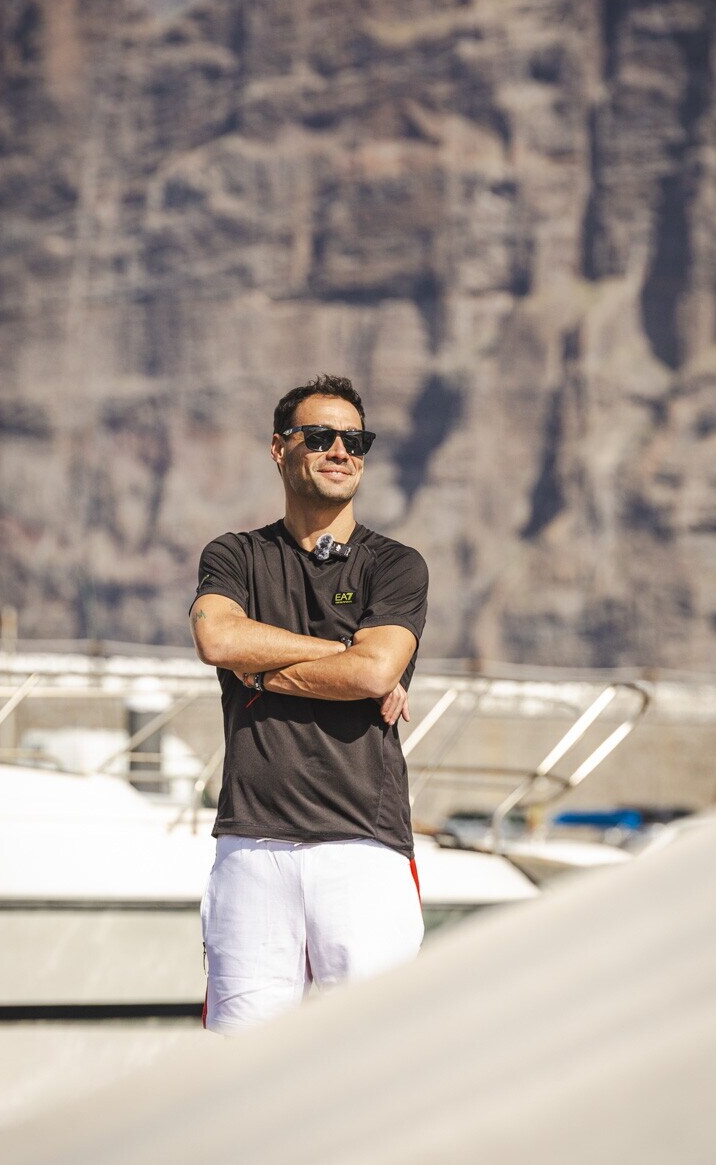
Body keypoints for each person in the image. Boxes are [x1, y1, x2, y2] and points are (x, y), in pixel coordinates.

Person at [190, 373, 429, 1032]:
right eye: (320, 436)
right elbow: (217, 638)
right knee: (238, 1064)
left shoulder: (395, 565)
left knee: (379, 1055)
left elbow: (375, 669)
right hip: (251, 848)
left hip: (364, 850)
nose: (340, 450)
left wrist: (261, 673)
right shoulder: (235, 555)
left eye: (356, 440)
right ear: (279, 447)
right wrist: (340, 653)